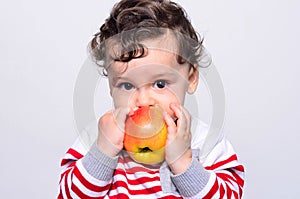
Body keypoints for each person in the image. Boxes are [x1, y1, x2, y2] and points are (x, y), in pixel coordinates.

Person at [58, 0, 245, 198]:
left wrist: (184, 163)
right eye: (127, 86)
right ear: (111, 87)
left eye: (160, 84)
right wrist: (102, 154)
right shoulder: (97, 139)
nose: (144, 100)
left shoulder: (205, 143)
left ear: (190, 78)